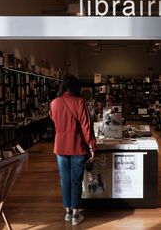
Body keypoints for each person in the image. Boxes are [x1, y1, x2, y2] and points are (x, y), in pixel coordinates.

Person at [50, 74, 96, 226]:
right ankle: (76, 214)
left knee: (65, 180)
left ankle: (67, 212)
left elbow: (54, 121)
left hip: (60, 146)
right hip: (77, 146)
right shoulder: (80, 102)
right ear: (76, 87)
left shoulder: (54, 103)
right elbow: (86, 127)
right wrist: (92, 146)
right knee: (76, 181)